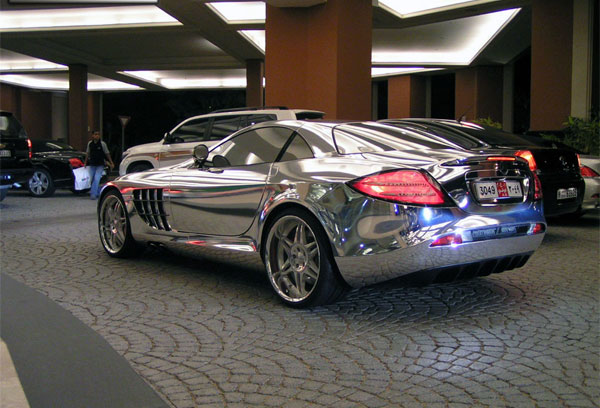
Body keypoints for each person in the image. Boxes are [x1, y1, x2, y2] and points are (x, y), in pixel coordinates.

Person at [83, 130, 114, 200]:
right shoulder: (90, 144)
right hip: (92, 164)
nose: (97, 136)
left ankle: (93, 194)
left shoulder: (102, 144)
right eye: (95, 134)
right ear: (92, 135)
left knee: (96, 179)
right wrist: (85, 162)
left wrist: (111, 162)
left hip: (100, 164)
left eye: (98, 134)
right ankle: (98, 191)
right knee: (91, 179)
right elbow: (87, 153)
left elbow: (107, 153)